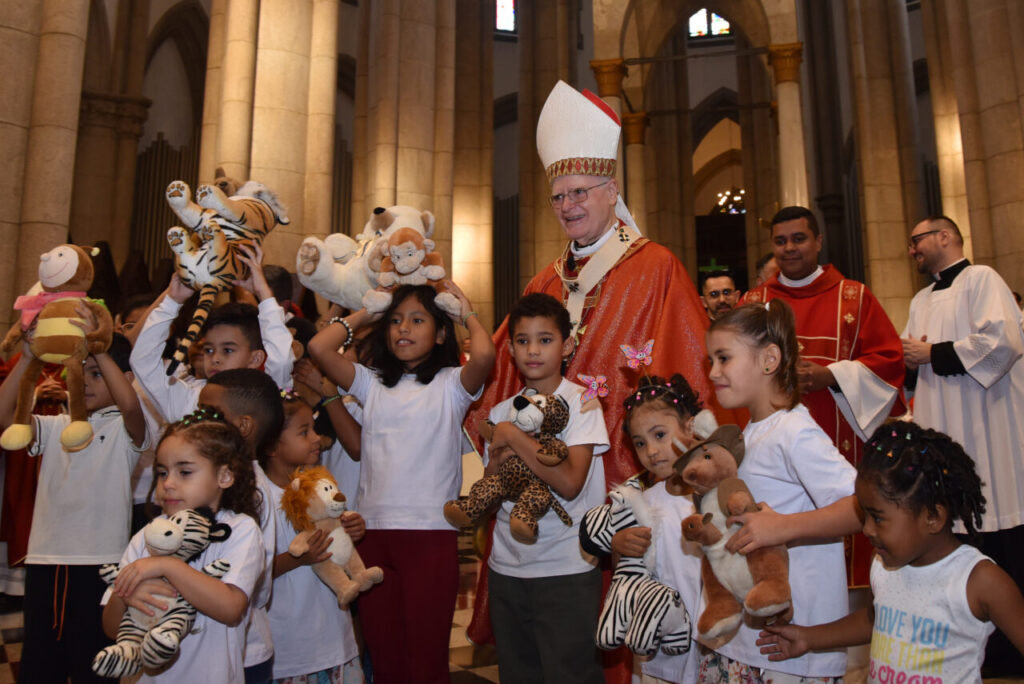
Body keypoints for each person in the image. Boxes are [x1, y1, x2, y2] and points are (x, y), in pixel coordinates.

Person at [465, 81, 722, 665]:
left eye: (580, 192)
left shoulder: (656, 267)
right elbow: (499, 371)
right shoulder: (545, 281)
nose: (568, 206)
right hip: (547, 486)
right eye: (559, 196)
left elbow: (690, 369)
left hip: (628, 473)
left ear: (611, 191)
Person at [307, 282, 495, 684]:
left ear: (440, 333)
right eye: (394, 321)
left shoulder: (451, 384)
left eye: (417, 320)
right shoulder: (371, 382)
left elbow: (483, 354)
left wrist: (466, 312)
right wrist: (369, 312)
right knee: (386, 660)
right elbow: (319, 349)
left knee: (426, 662)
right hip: (372, 535)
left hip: (430, 535)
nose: (402, 328)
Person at [757, 422, 1024, 683]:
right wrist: (809, 638)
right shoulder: (883, 565)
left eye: (878, 517)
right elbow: (875, 619)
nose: (867, 529)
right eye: (864, 515)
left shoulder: (979, 581)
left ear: (933, 517)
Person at [698, 301, 862, 682]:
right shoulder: (752, 433)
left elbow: (862, 507)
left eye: (724, 358)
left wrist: (783, 527)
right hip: (748, 641)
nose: (713, 372)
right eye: (711, 361)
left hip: (789, 649)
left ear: (769, 359)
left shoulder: (793, 431)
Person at [744, 206, 904, 584]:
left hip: (839, 442)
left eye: (799, 239)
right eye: (781, 241)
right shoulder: (754, 304)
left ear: (818, 241)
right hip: (771, 450)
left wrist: (831, 375)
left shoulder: (854, 297)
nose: (789, 248)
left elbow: (889, 362)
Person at [902, 215, 1024, 675]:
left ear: (945, 236)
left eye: (917, 240)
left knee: (1002, 532)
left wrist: (932, 353)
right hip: (945, 432)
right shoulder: (920, 300)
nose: (911, 250)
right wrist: (910, 363)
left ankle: (1010, 656)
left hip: (990, 430)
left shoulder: (982, 279)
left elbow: (1002, 342)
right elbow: (912, 367)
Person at [474, 293, 609, 683]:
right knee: (518, 674)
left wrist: (514, 438)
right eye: (522, 340)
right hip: (507, 568)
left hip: (566, 566)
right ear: (510, 348)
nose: (533, 350)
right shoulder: (501, 412)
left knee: (571, 674)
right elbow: (489, 495)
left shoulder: (582, 402)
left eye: (545, 339)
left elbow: (569, 482)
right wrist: (496, 462)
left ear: (566, 345)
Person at [0, 326, 147, 683]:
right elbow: (4, 419)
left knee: (92, 666)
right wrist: (29, 357)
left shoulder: (126, 430)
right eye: (77, 372)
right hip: (44, 562)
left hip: (99, 565)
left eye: (96, 373)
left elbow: (130, 405)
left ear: (125, 378)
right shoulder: (57, 426)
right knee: (39, 665)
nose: (84, 382)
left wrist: (97, 348)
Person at [102, 412, 266, 683]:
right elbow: (111, 628)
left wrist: (167, 566)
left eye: (185, 472)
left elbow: (230, 608)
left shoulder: (240, 530)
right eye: (162, 473)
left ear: (224, 476)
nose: (168, 483)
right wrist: (125, 594)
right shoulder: (145, 537)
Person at [608, 373, 705, 684]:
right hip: (660, 648)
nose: (651, 450)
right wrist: (620, 546)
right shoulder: (641, 503)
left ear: (689, 426)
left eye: (659, 435)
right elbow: (627, 574)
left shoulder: (712, 495)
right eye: (640, 442)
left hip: (710, 643)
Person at [130, 244, 294, 424]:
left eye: (228, 350)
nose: (215, 359)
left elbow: (281, 360)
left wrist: (264, 294)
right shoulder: (188, 397)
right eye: (208, 350)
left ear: (255, 358)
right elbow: (143, 361)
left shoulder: (264, 396)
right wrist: (172, 301)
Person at [264, 392, 366, 683]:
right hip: (292, 646)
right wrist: (299, 558)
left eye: (314, 428)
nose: (316, 438)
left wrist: (351, 529)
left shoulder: (322, 485)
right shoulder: (262, 498)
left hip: (334, 636)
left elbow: (338, 543)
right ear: (272, 445)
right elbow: (255, 571)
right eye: (304, 432)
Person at [197, 368, 286, 684]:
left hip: (243, 652)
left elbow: (255, 587)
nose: (198, 421)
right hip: (207, 647)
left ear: (244, 426)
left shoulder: (249, 490)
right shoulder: (208, 480)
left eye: (209, 413)